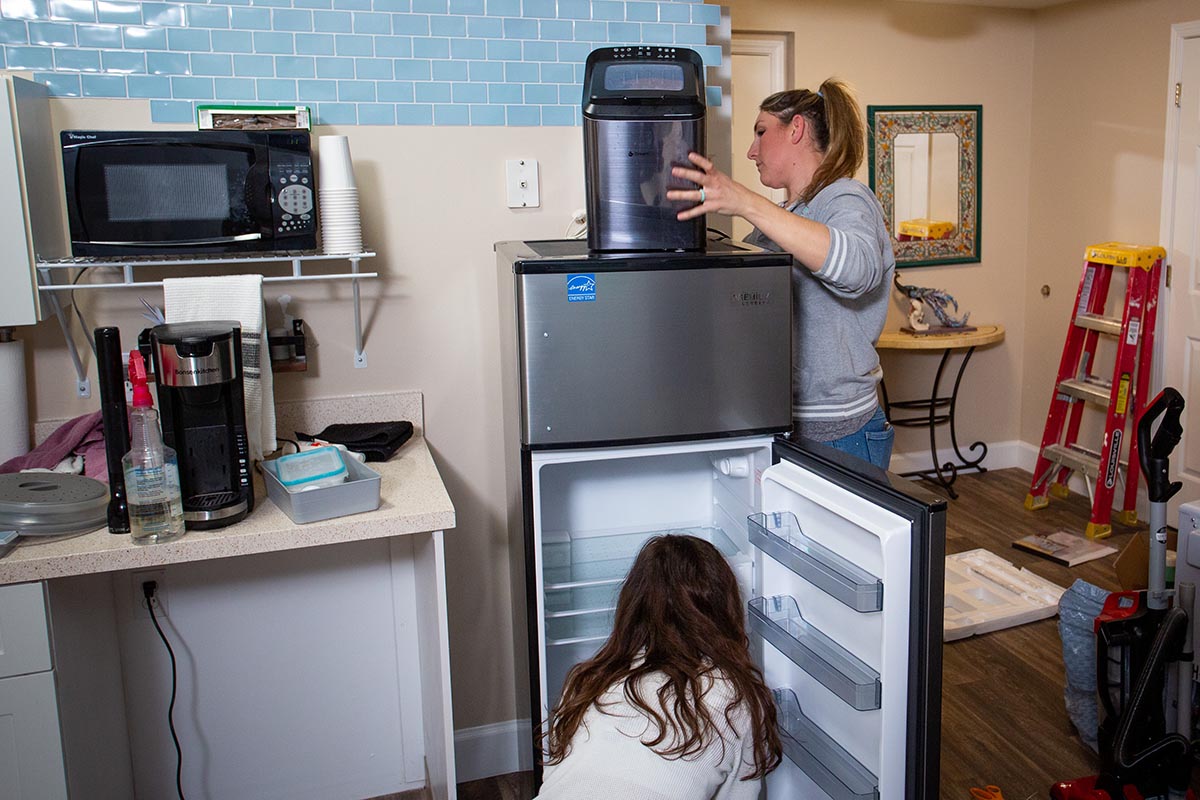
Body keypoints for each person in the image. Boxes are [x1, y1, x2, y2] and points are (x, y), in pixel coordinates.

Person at [667, 78, 896, 470]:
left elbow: (856, 269)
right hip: (780, 421)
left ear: (796, 129)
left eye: (760, 132)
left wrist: (747, 202)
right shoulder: (783, 218)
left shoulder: (844, 198)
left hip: (841, 430)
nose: (751, 151)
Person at [535, 534, 781, 799]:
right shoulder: (736, 699)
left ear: (631, 606)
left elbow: (554, 779)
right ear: (724, 608)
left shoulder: (587, 679)